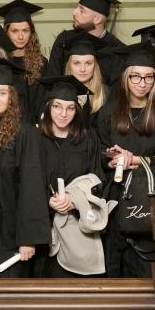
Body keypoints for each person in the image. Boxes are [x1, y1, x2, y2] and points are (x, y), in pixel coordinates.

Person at [95, 44, 155, 277]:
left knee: (147, 271)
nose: (141, 83)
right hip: (116, 199)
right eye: (135, 76)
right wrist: (111, 160)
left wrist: (138, 160)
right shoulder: (108, 113)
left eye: (148, 77)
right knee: (113, 266)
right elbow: (99, 153)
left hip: (151, 199)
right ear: (125, 77)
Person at [0, 58, 51, 277]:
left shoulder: (25, 134)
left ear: (12, 98)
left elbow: (32, 189)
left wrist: (27, 239)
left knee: (10, 298)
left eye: (2, 93)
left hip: (10, 232)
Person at [34, 76, 107, 277]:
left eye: (70, 108)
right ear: (48, 107)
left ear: (77, 110)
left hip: (76, 228)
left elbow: (98, 179)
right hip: (42, 227)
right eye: (57, 106)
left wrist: (75, 201)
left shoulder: (88, 139)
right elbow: (25, 182)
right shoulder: (35, 139)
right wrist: (48, 201)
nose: (63, 114)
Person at [45, 0, 126, 84]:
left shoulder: (118, 51)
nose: (74, 12)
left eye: (82, 11)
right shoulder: (64, 40)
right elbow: (52, 80)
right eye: (77, 8)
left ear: (97, 19)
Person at [0, 0, 47, 103]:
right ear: (6, 33)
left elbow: (43, 100)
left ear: (31, 32)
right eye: (15, 31)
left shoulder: (41, 63)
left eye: (25, 30)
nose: (21, 37)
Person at [58, 31, 109, 119]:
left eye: (88, 63)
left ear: (95, 66)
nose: (82, 69)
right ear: (69, 66)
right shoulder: (58, 94)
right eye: (77, 63)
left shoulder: (107, 94)